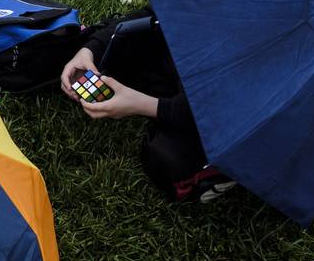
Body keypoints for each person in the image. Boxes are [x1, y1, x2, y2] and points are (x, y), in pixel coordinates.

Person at [60, 10, 235, 202]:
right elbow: (155, 14)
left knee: (166, 161)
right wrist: (90, 49)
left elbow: (219, 109)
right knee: (90, 47)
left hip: (222, 109)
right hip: (183, 62)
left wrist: (147, 106)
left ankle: (220, 171)